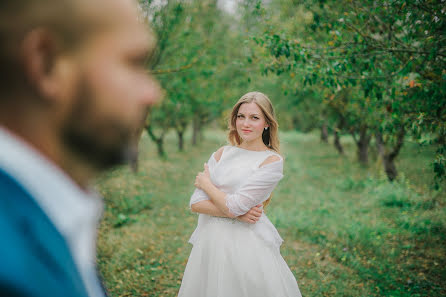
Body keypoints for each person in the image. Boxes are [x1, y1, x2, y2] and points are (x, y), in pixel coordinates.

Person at [0, 0, 162, 296]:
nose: (153, 94)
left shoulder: (48, 217)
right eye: (134, 62)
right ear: (46, 64)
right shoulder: (10, 272)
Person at [178, 92, 302, 297]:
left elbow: (233, 205)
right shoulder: (222, 153)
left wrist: (206, 185)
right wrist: (239, 214)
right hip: (211, 241)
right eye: (241, 116)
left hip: (245, 245)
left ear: (266, 123)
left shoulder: (271, 161)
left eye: (254, 118)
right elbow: (196, 203)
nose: (246, 123)